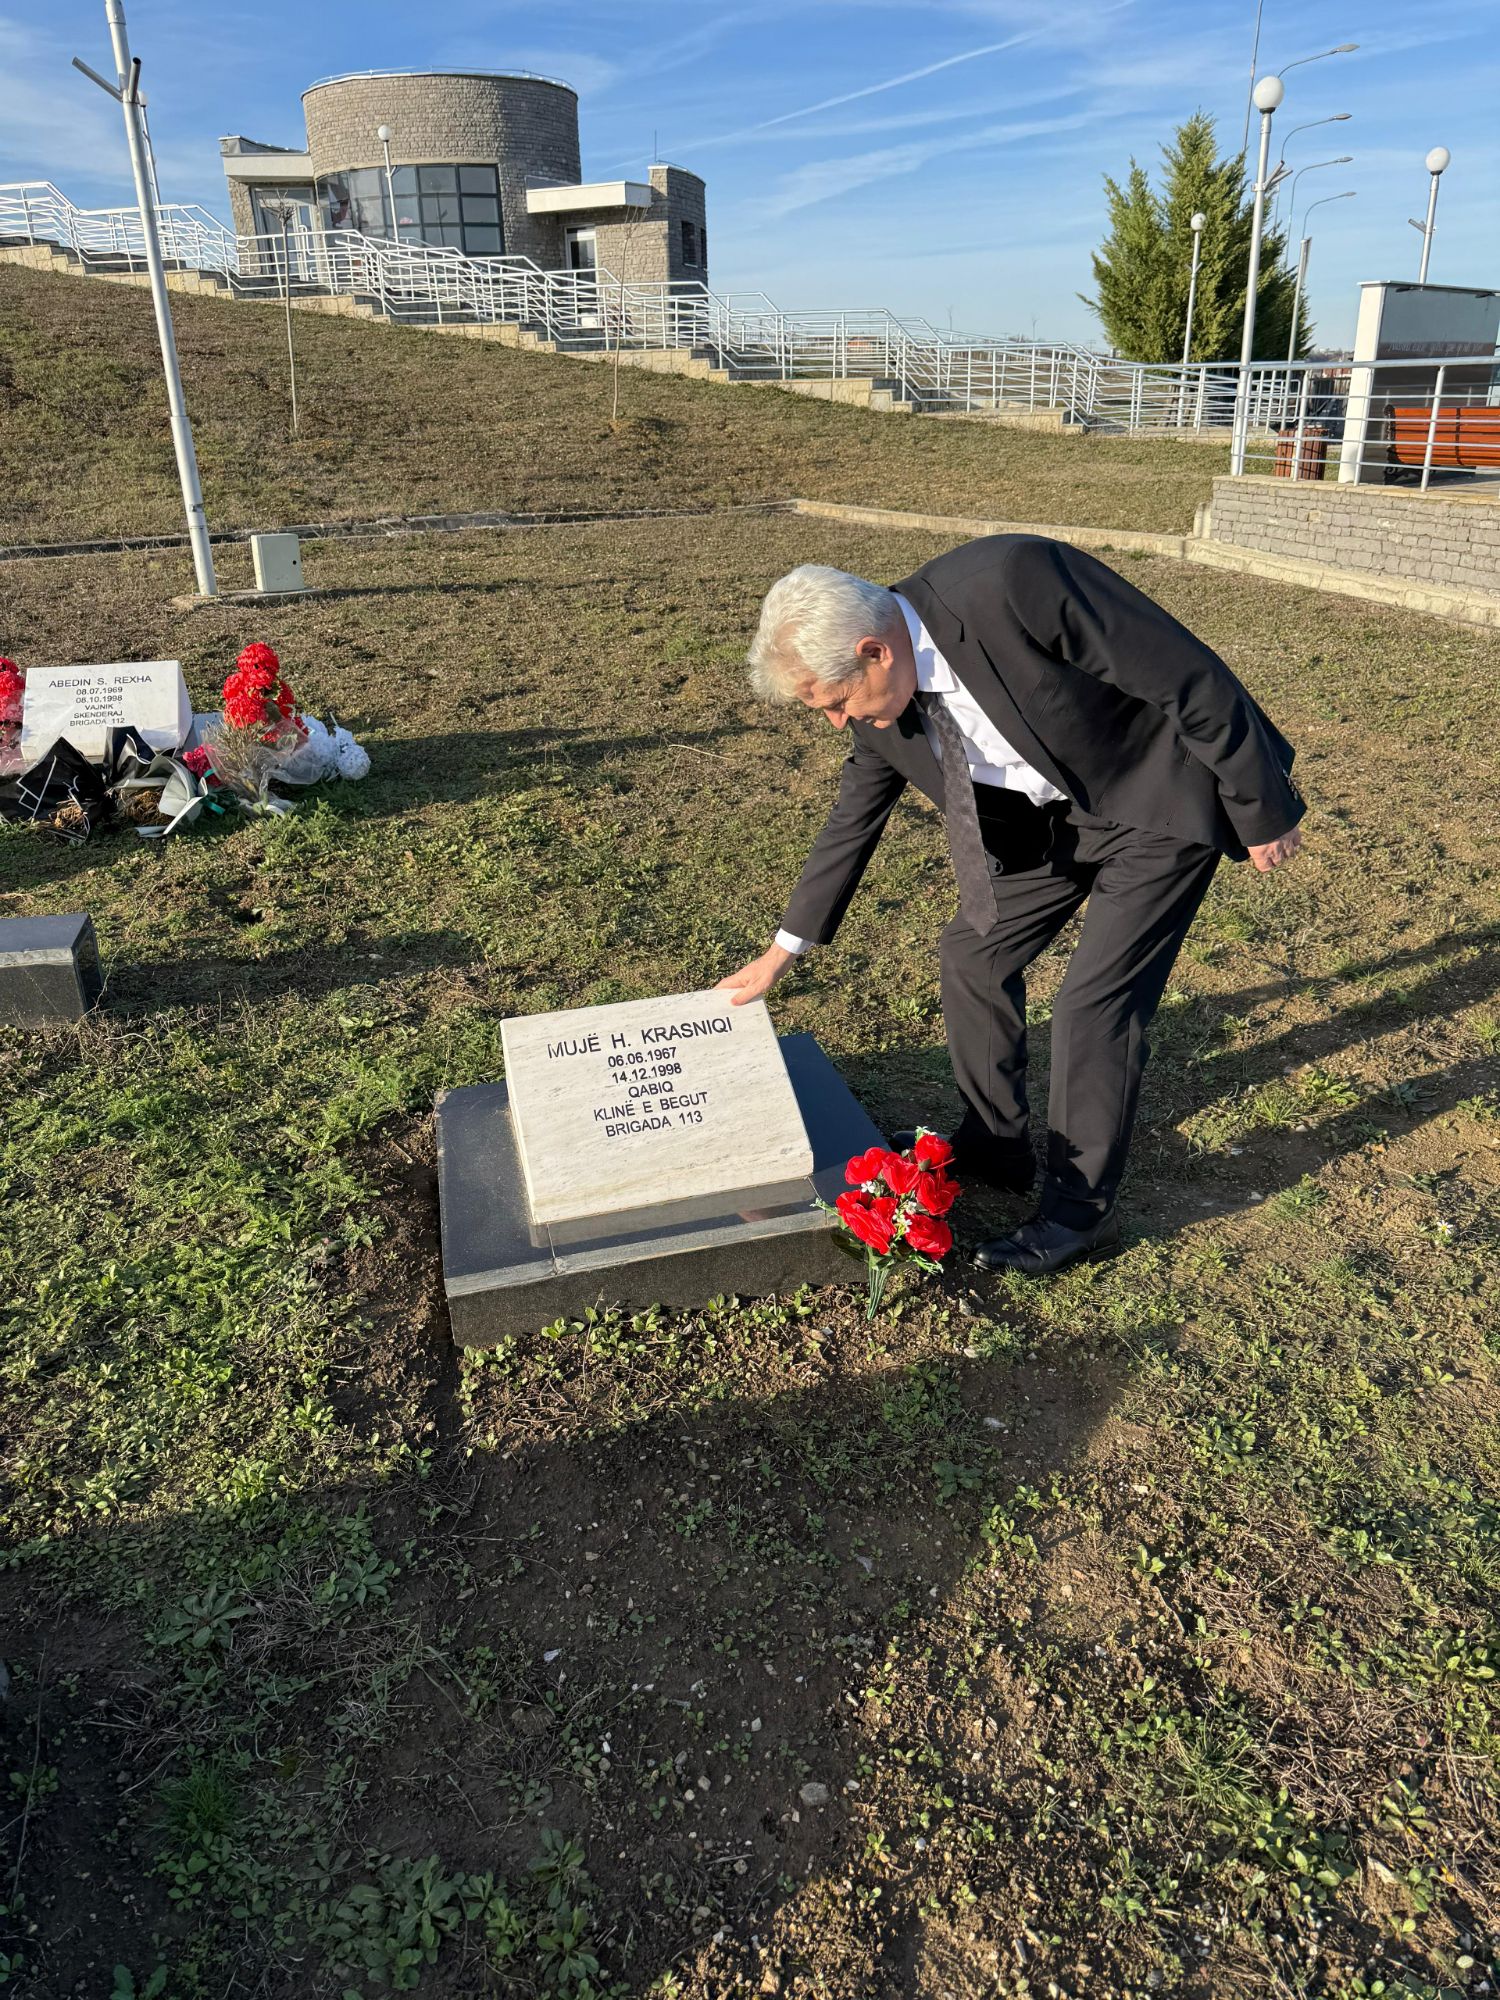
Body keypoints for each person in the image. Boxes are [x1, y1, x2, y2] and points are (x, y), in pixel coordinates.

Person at [715, 538, 1305, 1276]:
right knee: (973, 952)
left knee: (1093, 1003)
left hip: (1155, 800)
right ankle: (994, 1143)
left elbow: (1189, 677)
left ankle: (1076, 1209)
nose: (837, 721)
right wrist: (783, 950)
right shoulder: (879, 713)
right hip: (1049, 828)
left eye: (835, 703)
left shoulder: (1012, 583)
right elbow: (852, 819)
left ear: (875, 652)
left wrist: (1262, 807)